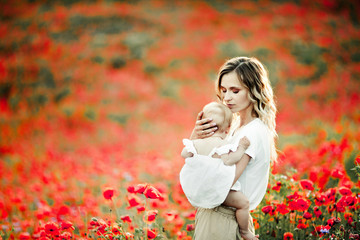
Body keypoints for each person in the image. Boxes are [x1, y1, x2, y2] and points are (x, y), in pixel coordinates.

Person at [189, 57, 277, 240]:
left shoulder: (252, 132)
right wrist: (196, 138)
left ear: (254, 90)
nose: (226, 98)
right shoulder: (235, 126)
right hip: (217, 215)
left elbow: (224, 181)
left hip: (225, 219)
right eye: (224, 90)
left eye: (235, 91)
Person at [179, 102, 256, 240]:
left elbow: (185, 154)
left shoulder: (195, 144)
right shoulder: (222, 145)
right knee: (243, 203)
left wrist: (195, 139)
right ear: (227, 130)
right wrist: (242, 149)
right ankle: (245, 231)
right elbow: (229, 160)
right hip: (217, 191)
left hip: (200, 190)